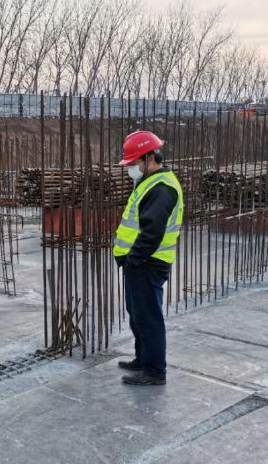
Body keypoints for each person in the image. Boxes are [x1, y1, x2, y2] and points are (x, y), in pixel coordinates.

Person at [113, 131, 184, 386]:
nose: (130, 168)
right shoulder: (149, 181)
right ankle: (143, 359)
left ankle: (155, 371)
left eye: (133, 163)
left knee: (149, 317)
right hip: (139, 263)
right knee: (137, 314)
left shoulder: (162, 188)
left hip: (148, 263)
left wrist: (134, 258)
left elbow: (152, 232)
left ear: (149, 158)